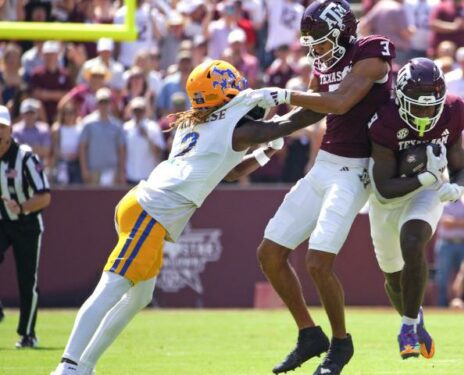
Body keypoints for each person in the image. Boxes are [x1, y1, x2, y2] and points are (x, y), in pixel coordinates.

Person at [51, 59, 321, 375]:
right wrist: (325, 98)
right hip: (152, 210)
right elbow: (289, 124)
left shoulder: (194, 122)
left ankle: (85, 366)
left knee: (140, 296)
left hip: (144, 205)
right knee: (111, 287)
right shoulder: (235, 129)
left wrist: (264, 152)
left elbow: (231, 170)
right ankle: (68, 366)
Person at [250, 1, 395, 374]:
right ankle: (309, 335)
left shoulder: (371, 52)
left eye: (321, 39)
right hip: (325, 164)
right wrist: (269, 135)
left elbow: (341, 101)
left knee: (317, 262)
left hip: (356, 169)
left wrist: (283, 94)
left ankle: (341, 343)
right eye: (311, 41)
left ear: (344, 30)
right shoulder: (324, 61)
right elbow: (315, 110)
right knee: (269, 253)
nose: (316, 48)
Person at [367, 58, 464, 359]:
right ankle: (415, 317)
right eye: (418, 105)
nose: (425, 113)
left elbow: (461, 164)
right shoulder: (385, 118)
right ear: (400, 98)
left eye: (430, 106)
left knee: (413, 242)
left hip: (428, 191)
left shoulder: (452, 110)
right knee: (393, 279)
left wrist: (458, 186)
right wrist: (424, 175)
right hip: (389, 196)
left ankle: (408, 326)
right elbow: (384, 188)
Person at [0, 105, 51, 349]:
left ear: (10, 129)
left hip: (27, 224)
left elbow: (45, 196)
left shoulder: (26, 158)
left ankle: (28, 333)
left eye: (1, 127)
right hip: (1, 222)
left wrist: (20, 207)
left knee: (26, 280)